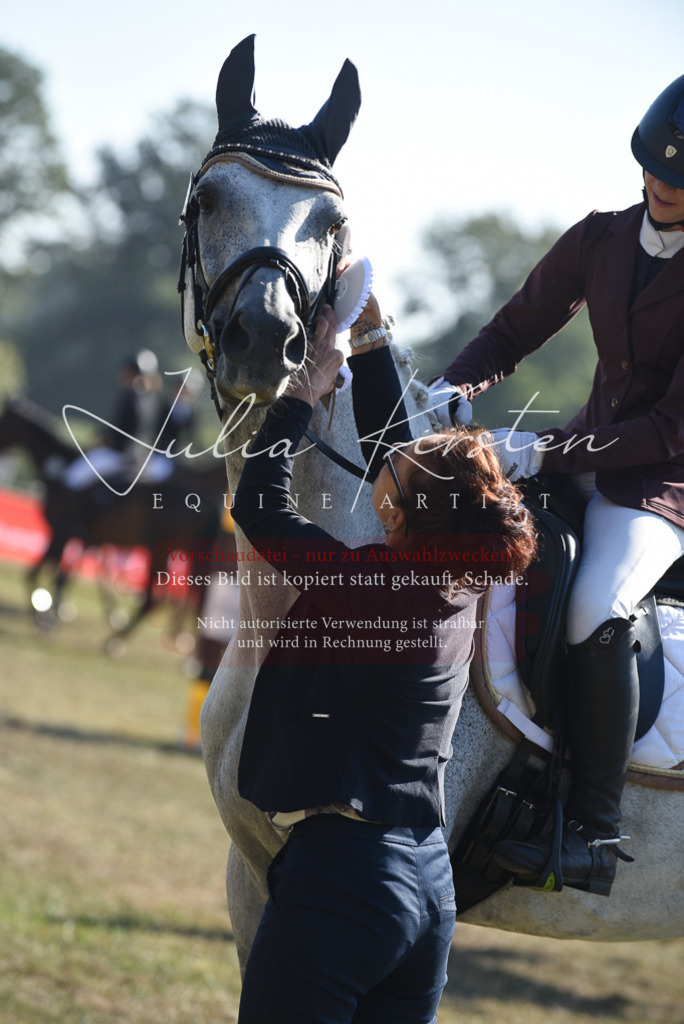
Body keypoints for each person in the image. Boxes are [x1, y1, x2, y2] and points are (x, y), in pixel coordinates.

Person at [231, 299, 536, 1023]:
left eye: (392, 477)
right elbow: (399, 457)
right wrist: (369, 344)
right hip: (430, 889)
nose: (384, 468)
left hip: (346, 880)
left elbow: (260, 504)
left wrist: (301, 397)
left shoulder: (374, 586)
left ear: (395, 516)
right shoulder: (460, 578)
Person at [433, 75, 684, 897]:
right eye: (657, 168)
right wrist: (455, 386)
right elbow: (515, 326)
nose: (664, 186)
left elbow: (669, 431)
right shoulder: (601, 239)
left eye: (679, 180)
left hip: (660, 488)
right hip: (584, 458)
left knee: (595, 606)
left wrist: (548, 449)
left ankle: (592, 833)